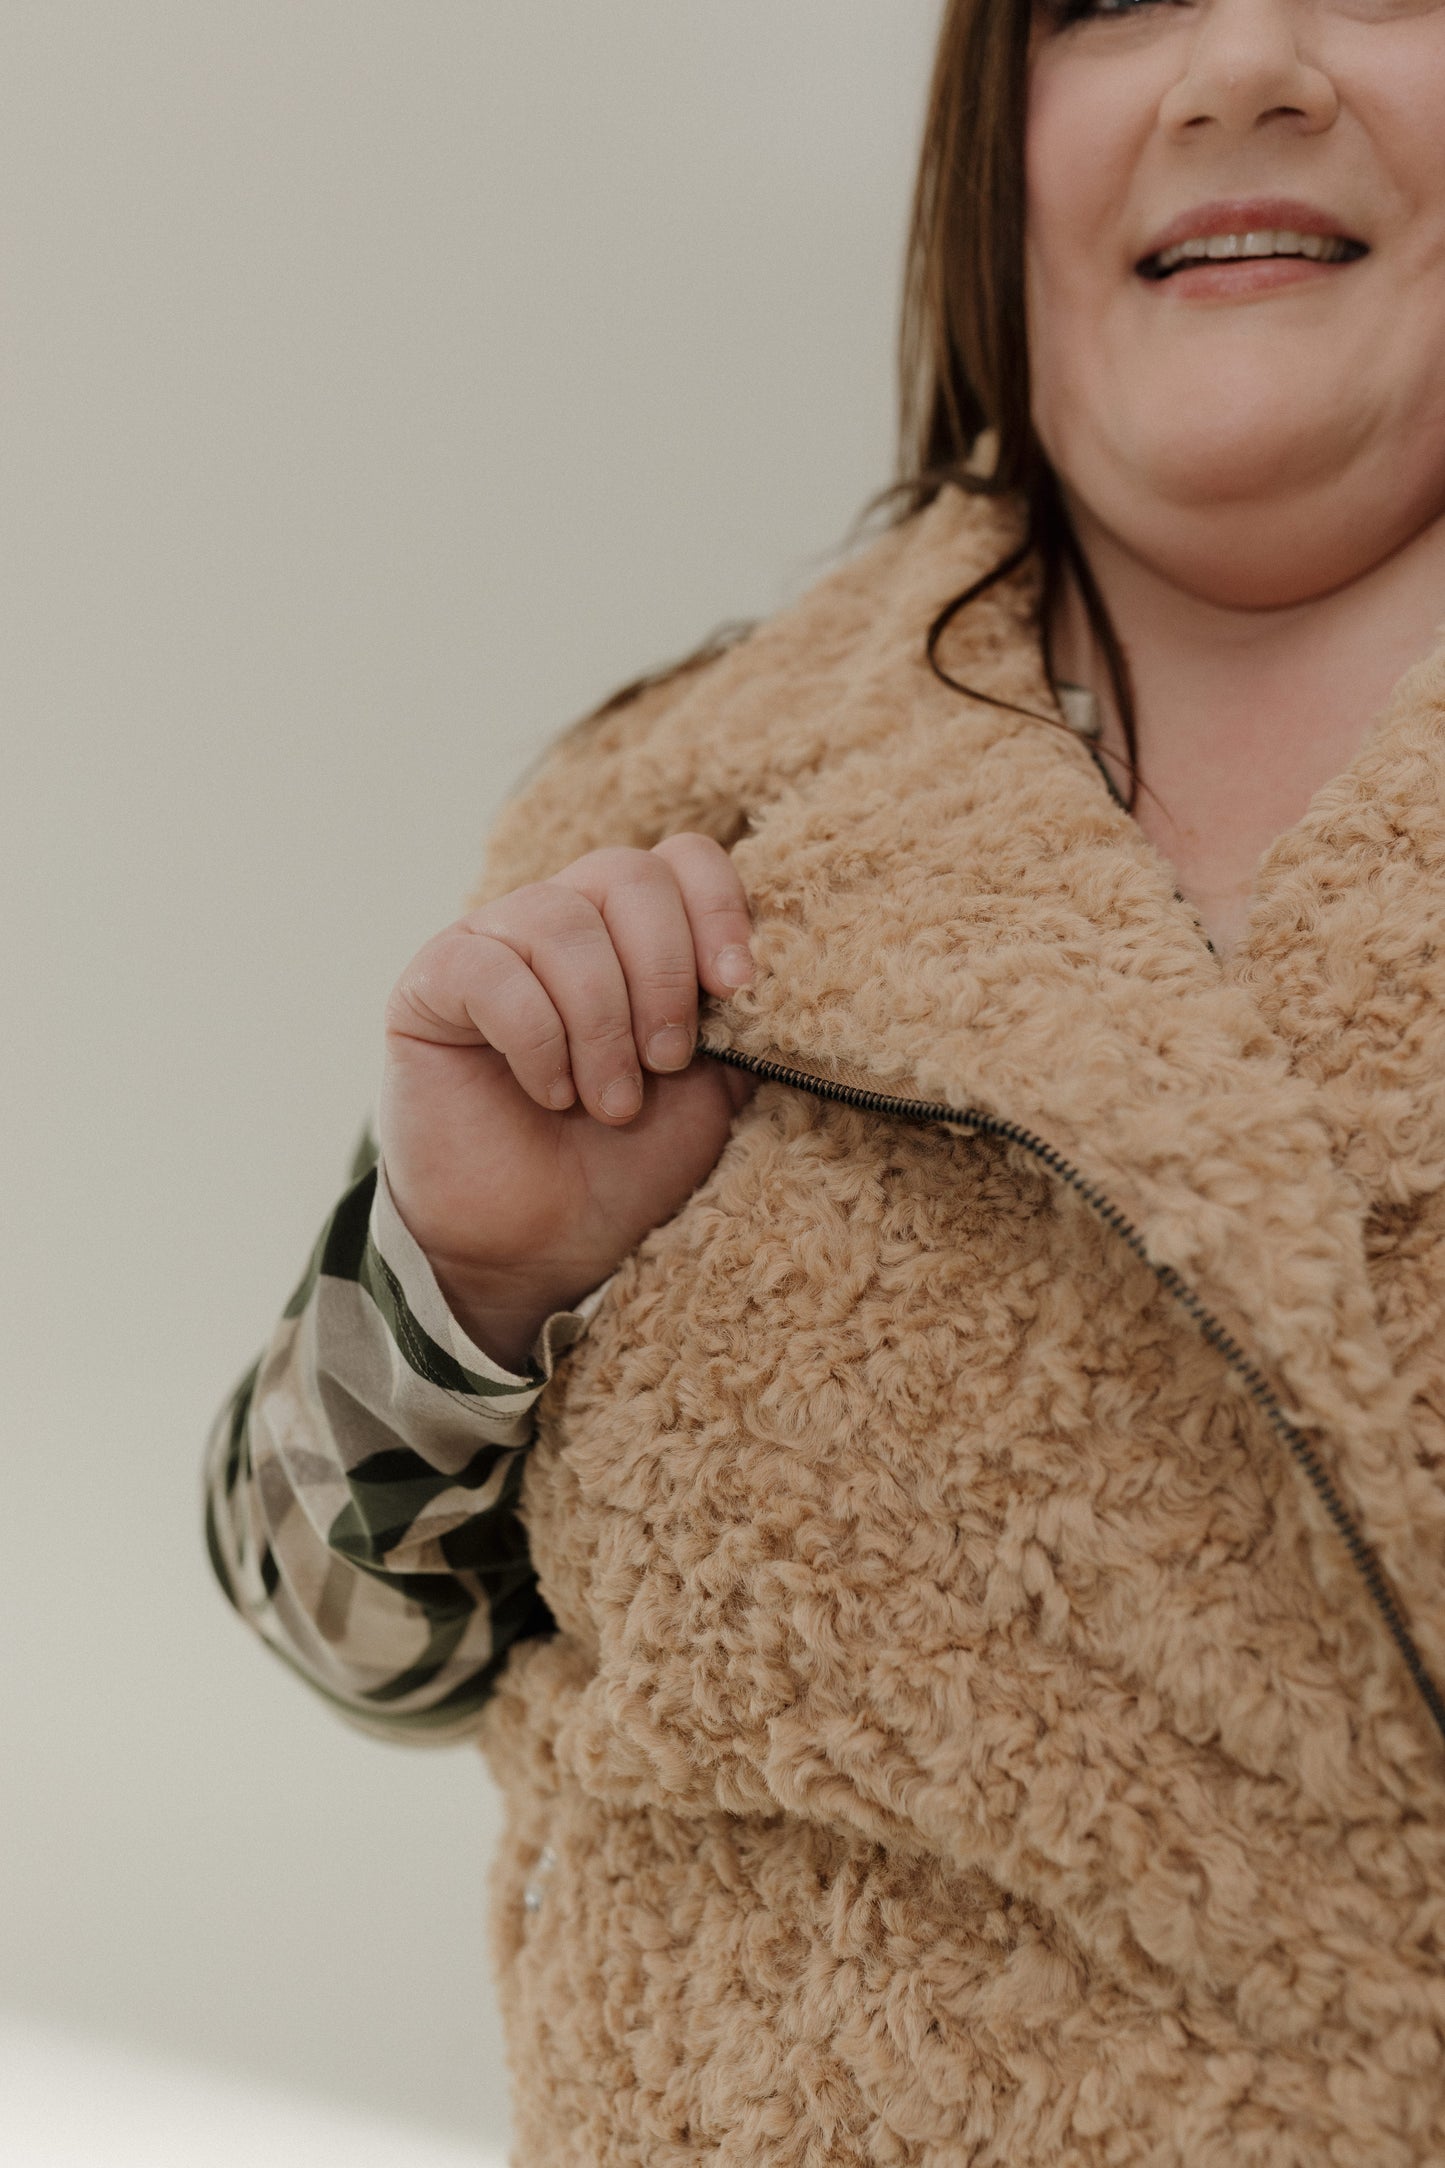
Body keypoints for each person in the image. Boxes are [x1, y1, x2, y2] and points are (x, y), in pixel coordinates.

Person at [205, 0, 1445, 2155]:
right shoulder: (682, 817)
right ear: (994, 139)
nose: (1245, 66)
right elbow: (345, 1634)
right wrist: (463, 1279)